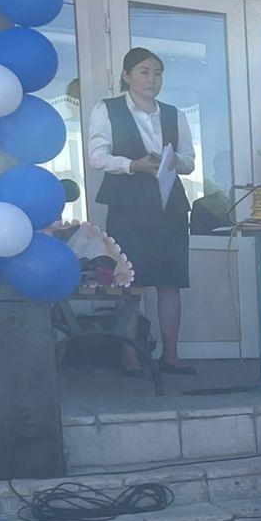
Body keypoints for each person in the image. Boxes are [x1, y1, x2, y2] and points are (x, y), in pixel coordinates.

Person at [87, 46, 198, 375]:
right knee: (129, 281)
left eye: (158, 73)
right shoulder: (108, 109)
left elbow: (190, 161)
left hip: (168, 204)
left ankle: (171, 356)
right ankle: (130, 358)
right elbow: (97, 156)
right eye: (144, 72)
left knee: (170, 281)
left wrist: (174, 161)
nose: (152, 79)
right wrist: (132, 165)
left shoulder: (174, 114)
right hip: (128, 203)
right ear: (126, 75)